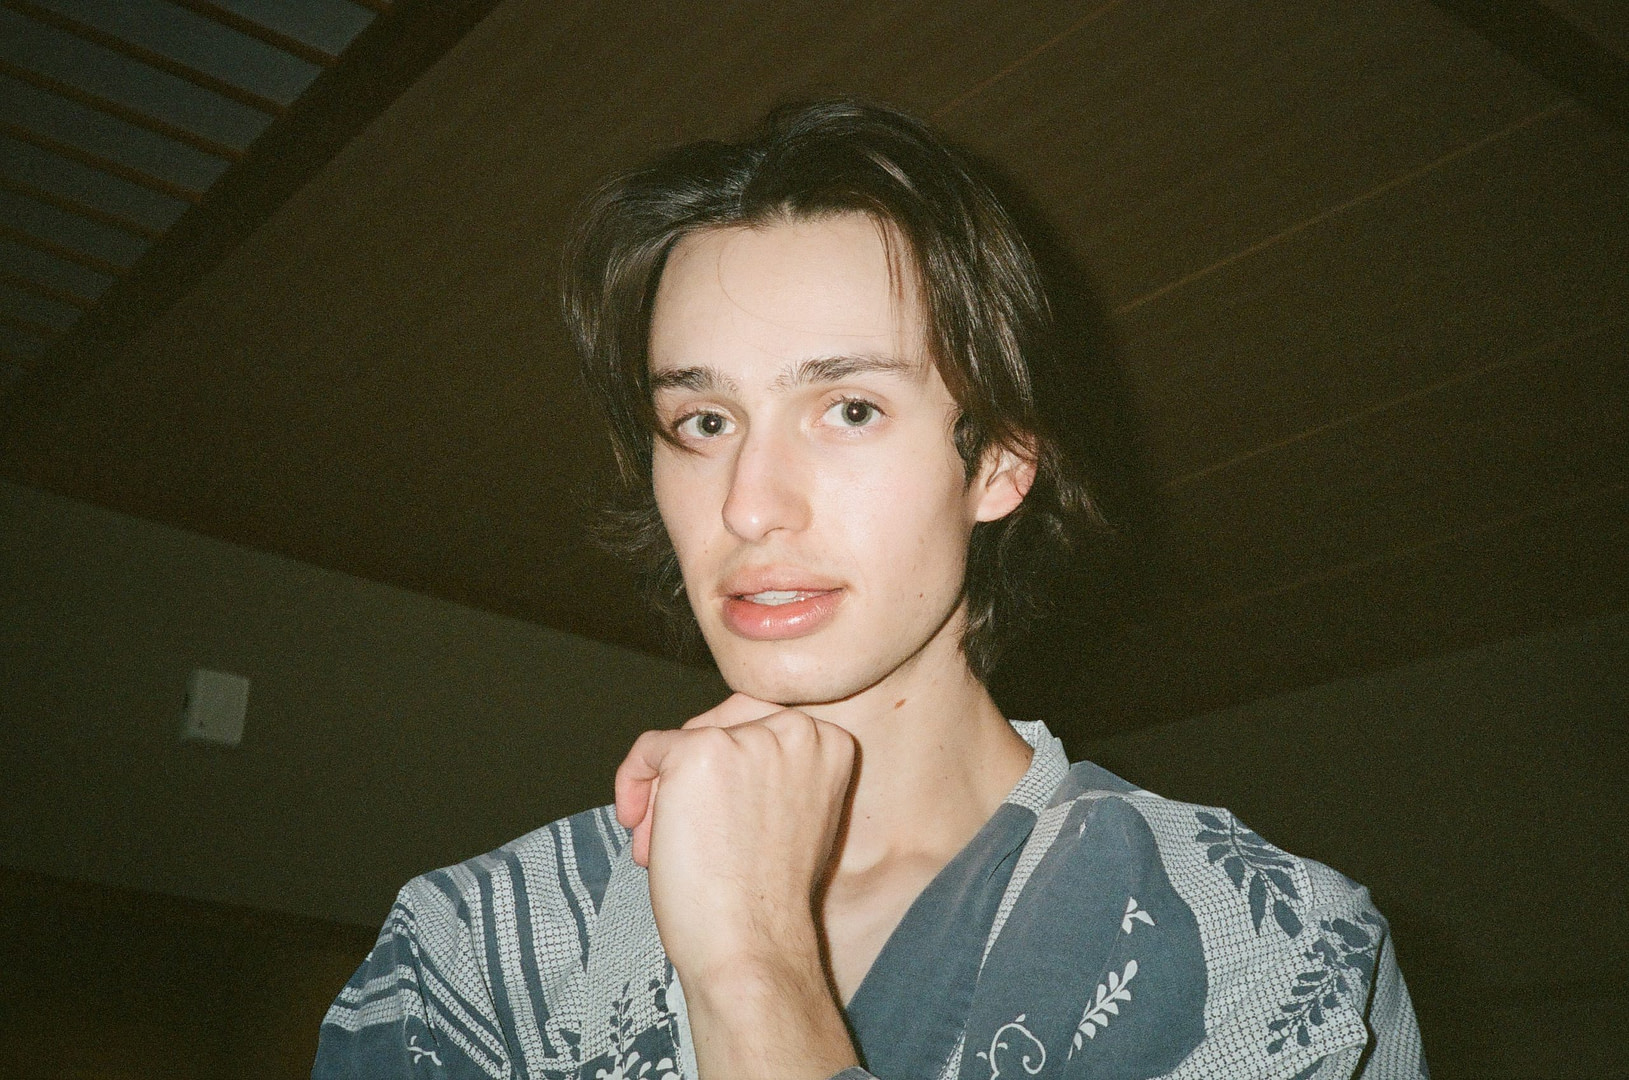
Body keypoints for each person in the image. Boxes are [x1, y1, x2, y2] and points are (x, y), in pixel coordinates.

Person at [314, 99, 1425, 1080]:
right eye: (703, 422)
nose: (749, 504)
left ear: (997, 462)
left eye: (848, 408)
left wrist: (753, 976)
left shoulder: (1271, 950)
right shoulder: (468, 953)